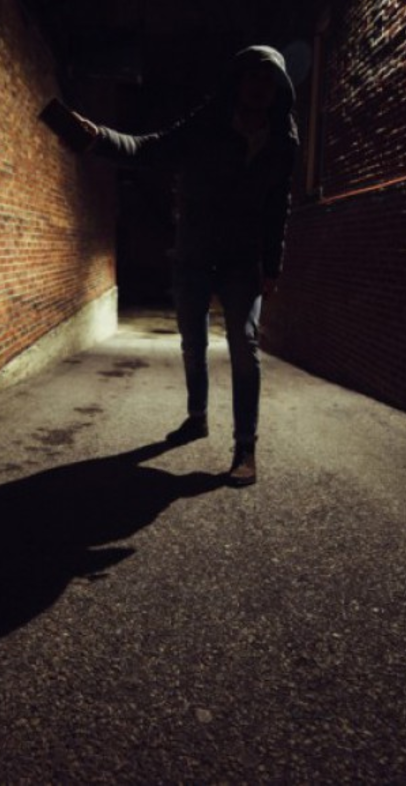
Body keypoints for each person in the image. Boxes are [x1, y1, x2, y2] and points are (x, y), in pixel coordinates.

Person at [61, 45, 298, 486]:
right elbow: (148, 148)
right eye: (253, 77)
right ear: (238, 81)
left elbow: (277, 207)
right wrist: (98, 137)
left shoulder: (283, 141)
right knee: (193, 343)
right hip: (195, 252)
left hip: (242, 259)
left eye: (269, 80)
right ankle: (197, 417)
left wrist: (273, 266)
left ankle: (245, 446)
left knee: (245, 345)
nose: (259, 87)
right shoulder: (208, 123)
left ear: (279, 89)